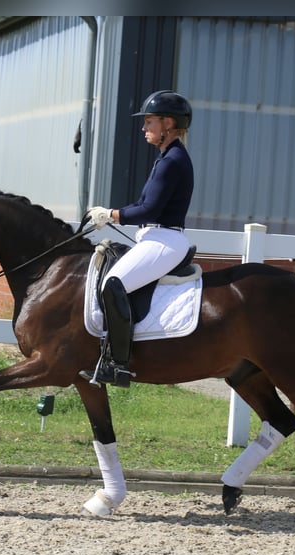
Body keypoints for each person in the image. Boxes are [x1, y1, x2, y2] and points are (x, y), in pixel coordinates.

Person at [79, 90, 194, 387]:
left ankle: (118, 365)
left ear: (168, 123)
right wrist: (113, 214)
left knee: (113, 284)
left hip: (165, 240)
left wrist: (111, 214)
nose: (144, 128)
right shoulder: (168, 157)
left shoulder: (172, 160)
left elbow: (149, 208)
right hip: (156, 237)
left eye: (149, 121)